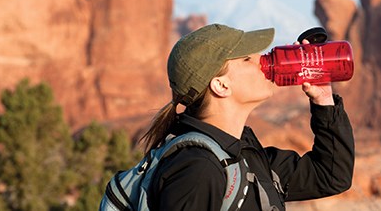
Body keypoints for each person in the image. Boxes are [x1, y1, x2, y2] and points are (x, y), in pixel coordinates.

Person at [142, 24, 354, 210]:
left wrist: (324, 99)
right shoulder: (198, 169)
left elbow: (331, 175)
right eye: (246, 58)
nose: (261, 59)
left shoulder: (246, 155)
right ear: (221, 85)